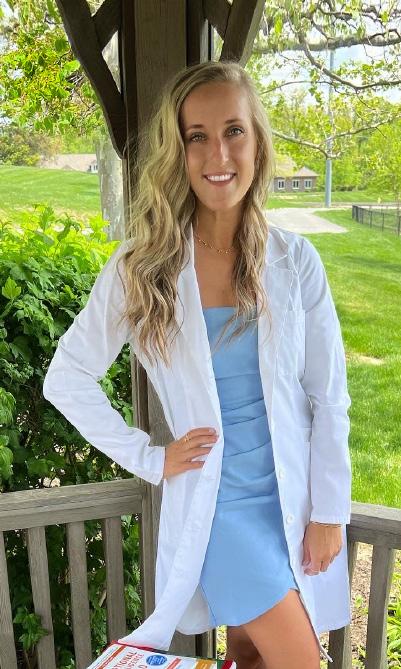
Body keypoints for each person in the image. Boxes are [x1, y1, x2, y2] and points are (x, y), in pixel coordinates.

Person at [43, 60, 352, 669]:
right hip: (217, 510)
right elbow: (67, 377)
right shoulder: (143, 268)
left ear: (258, 142)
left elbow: (328, 395)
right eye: (197, 136)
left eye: (234, 131)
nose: (219, 154)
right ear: (177, 152)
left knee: (252, 657)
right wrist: (150, 457)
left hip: (287, 502)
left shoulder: (294, 261)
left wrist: (329, 511)